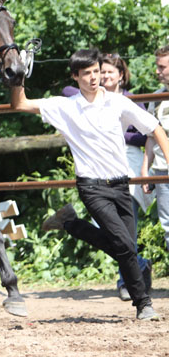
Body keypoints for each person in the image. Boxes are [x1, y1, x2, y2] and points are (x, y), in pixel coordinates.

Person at [11, 48, 169, 321]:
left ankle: (71, 223)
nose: (95, 78)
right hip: (92, 188)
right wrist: (18, 74)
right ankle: (143, 304)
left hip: (121, 185)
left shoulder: (117, 102)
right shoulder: (65, 106)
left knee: (125, 246)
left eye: (96, 71)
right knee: (124, 244)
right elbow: (20, 104)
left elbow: (154, 127)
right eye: (87, 74)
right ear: (75, 77)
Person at [62, 53, 152, 301]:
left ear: (121, 76)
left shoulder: (126, 101)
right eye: (100, 72)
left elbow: (145, 134)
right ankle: (137, 287)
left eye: (108, 72)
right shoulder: (80, 99)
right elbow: (68, 90)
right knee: (118, 236)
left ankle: (130, 276)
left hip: (125, 169)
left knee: (124, 237)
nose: (102, 76)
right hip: (94, 180)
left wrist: (114, 135)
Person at [142, 45, 169, 253]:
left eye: (162, 67)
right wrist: (145, 170)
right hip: (161, 169)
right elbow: (151, 137)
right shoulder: (156, 98)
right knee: (167, 223)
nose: (157, 71)